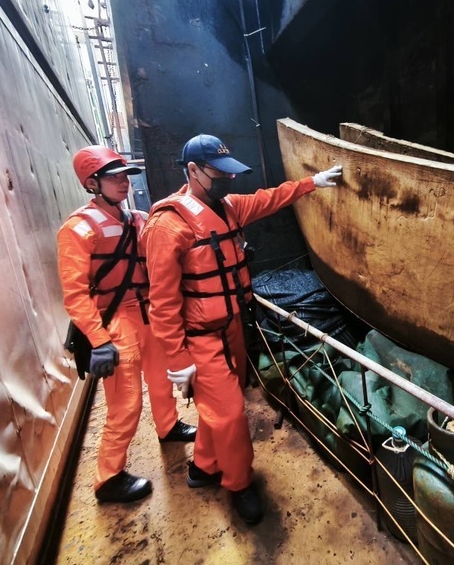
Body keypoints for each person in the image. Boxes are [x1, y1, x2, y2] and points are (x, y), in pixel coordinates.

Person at [140, 133, 342, 524]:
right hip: (198, 338)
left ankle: (202, 466)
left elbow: (269, 199)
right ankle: (239, 484)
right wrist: (178, 360)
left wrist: (310, 184)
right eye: (218, 174)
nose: (227, 181)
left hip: (232, 324)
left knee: (219, 408)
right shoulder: (169, 226)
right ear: (193, 171)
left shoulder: (228, 208)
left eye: (229, 174)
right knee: (231, 413)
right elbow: (162, 303)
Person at [57, 145, 198, 504]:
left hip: (148, 313)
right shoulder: (77, 229)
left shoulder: (138, 218)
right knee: (125, 404)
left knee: (162, 379)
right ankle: (109, 478)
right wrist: (99, 339)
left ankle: (168, 427)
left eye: (124, 176)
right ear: (92, 183)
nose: (123, 183)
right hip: (115, 322)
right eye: (113, 177)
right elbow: (75, 294)